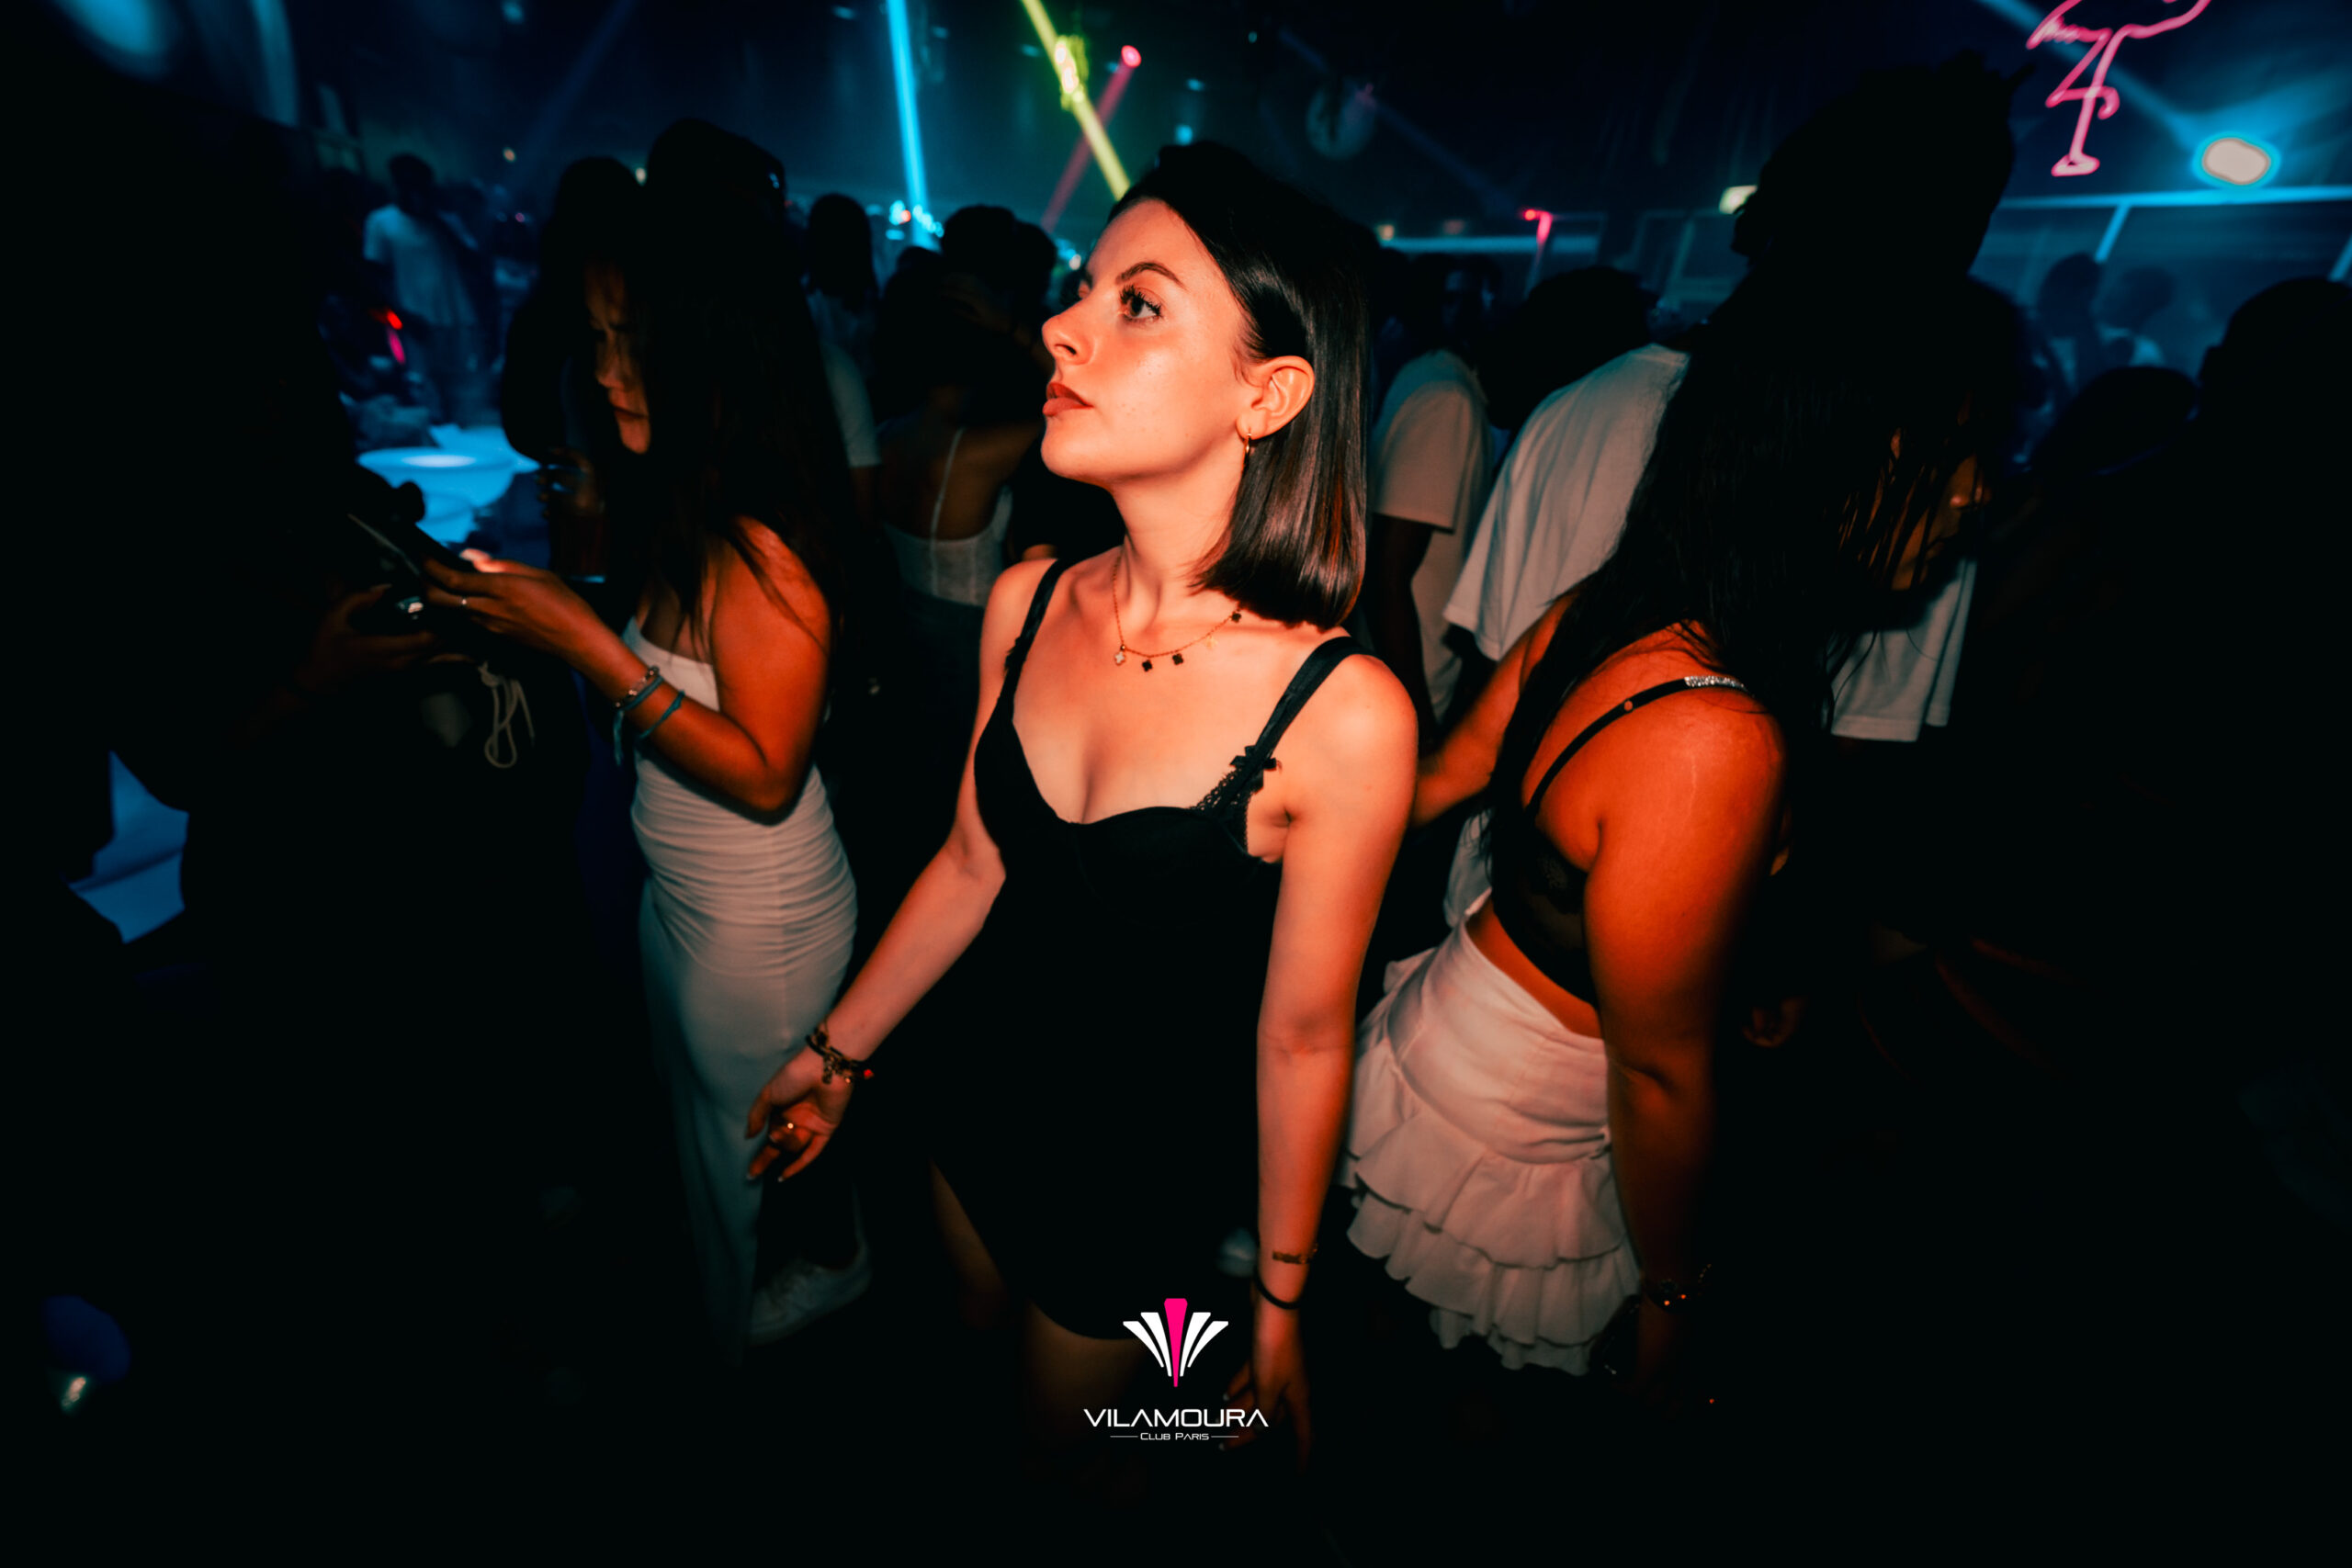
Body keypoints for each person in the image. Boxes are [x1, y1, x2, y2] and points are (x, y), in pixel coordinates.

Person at [745, 142, 1416, 1470]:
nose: (1063, 325)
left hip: (1133, 1186)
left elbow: (1300, 1038)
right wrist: (836, 1053)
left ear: (1269, 394)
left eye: (1139, 302)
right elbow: (971, 861)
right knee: (974, 1391)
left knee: (1084, 1475)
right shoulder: (1030, 595)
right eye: (1084, 286)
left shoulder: (1342, 713)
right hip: (966, 1101)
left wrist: (1281, 1304)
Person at [1348, 270, 2018, 1383]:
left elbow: (1437, 782)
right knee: (1464, 1425)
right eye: (1948, 452)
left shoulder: (1616, 608)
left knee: (1397, 1379)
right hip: (1516, 1126)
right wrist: (1675, 1296)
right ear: (1834, 464)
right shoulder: (1715, 737)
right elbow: (1659, 1074)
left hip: (1450, 1040)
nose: (1976, 493)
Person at [424, 192, 860, 1363]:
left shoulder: (763, 547)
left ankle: (757, 1351)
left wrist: (582, 641)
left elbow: (766, 776)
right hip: (685, 898)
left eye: (635, 341)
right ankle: (775, 1277)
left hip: (760, 920)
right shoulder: (685, 502)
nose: (607, 373)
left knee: (738, 1161)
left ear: (710, 351)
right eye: (598, 338)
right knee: (710, 1143)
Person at [1363, 254, 1498, 746]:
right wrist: (1420, 724)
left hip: (1402, 675)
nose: (1480, 310)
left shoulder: (1428, 377)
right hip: (1415, 681)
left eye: (1482, 298)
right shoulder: (1447, 398)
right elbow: (1388, 573)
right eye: (1457, 298)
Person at [364, 153, 487, 422]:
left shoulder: (446, 221)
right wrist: (401, 315)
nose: (415, 190)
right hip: (414, 322)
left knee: (465, 392)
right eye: (408, 183)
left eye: (420, 184)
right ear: (397, 184)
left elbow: (474, 260)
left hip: (458, 318)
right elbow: (375, 275)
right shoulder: (381, 221)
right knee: (424, 393)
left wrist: (440, 219)